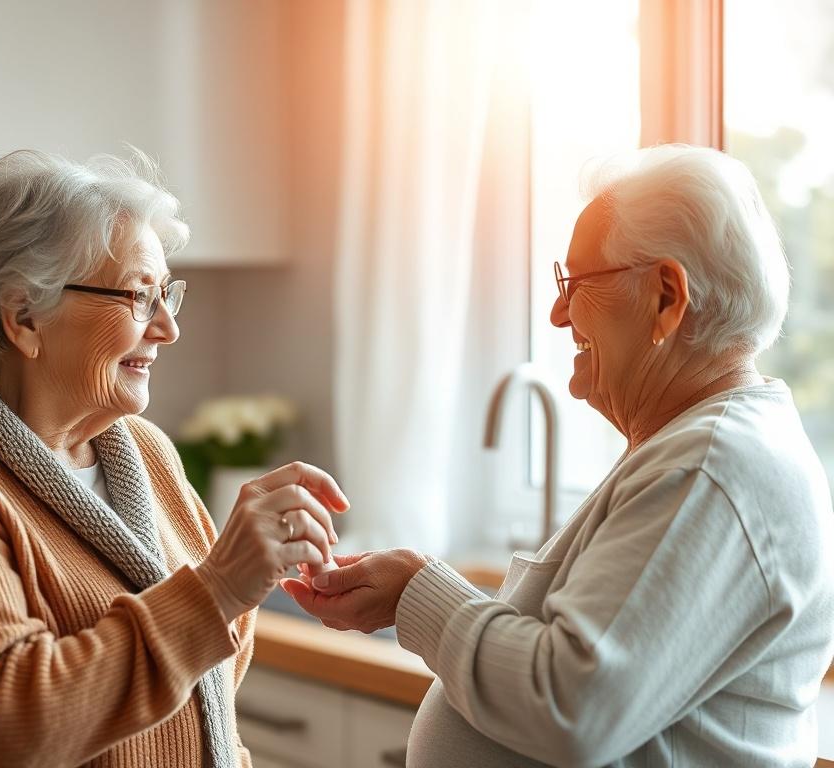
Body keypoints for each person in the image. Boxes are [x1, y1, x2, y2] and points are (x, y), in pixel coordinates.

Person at [284, 145, 834, 767]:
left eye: (576, 284)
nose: (556, 312)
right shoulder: (698, 448)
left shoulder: (709, 466)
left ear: (665, 297)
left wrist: (416, 590)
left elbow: (574, 703)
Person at [0, 148, 348, 768]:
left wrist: (245, 577)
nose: (166, 328)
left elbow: (197, 697)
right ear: (24, 317)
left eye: (167, 295)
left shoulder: (146, 453)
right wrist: (217, 589)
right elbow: (11, 726)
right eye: (137, 296)